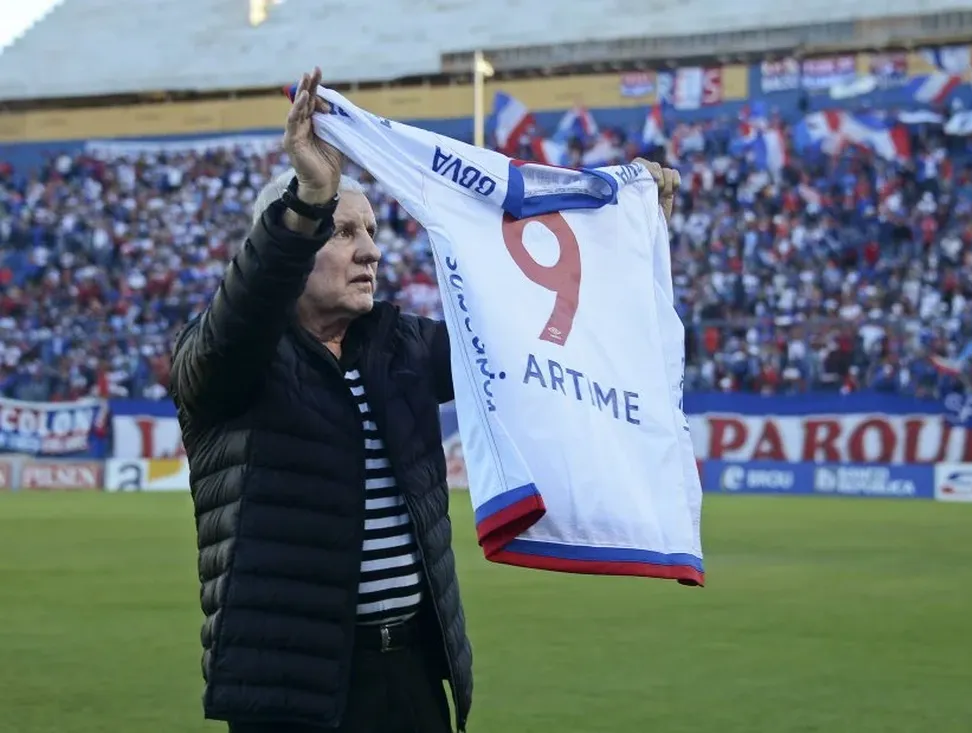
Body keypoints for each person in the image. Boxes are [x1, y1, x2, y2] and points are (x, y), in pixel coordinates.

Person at [170, 67, 680, 733]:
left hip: (410, 674)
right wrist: (311, 198)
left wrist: (624, 234)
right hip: (292, 685)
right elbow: (239, 317)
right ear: (291, 242)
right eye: (344, 232)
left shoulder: (399, 347)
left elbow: (533, 331)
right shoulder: (230, 358)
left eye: (373, 232)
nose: (371, 252)